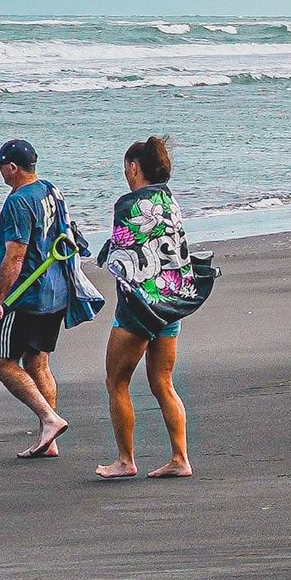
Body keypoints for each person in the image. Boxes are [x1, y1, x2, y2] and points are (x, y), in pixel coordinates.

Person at [94, 135, 194, 480]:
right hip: (172, 302)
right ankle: (180, 458)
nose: (126, 174)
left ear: (134, 168)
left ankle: (125, 459)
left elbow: (124, 257)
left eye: (126, 168)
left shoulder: (128, 204)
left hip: (138, 308)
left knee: (116, 381)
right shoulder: (171, 201)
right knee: (163, 382)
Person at [0, 138, 70, 459]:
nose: (0, 173)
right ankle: (50, 439)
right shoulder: (50, 190)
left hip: (26, 297)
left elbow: (15, 258)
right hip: (55, 292)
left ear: (12, 167)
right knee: (37, 361)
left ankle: (49, 419)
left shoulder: (18, 203)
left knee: (3, 362)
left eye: (1, 167)